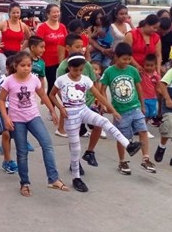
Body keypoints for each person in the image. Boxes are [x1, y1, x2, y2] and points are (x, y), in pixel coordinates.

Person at [50, 53, 143, 191]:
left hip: (83, 110)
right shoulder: (62, 80)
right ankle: (76, 178)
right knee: (76, 148)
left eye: (80, 70)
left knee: (104, 121)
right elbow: (51, 95)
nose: (78, 73)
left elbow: (98, 95)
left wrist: (112, 110)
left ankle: (128, 145)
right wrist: (60, 108)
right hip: (71, 115)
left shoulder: (85, 79)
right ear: (69, 68)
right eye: (75, 70)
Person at [0, 52, 63, 196]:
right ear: (15, 66)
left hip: (33, 117)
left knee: (47, 144)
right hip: (17, 120)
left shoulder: (34, 79)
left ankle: (53, 178)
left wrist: (52, 110)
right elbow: (1, 100)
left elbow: (43, 95)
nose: (26, 68)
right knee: (22, 153)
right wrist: (6, 118)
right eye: (23, 65)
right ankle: (24, 183)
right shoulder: (9, 81)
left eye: (29, 65)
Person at [98, 43, 155, 175]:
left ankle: (145, 158)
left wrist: (142, 104)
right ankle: (122, 161)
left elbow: (139, 87)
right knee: (122, 137)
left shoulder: (132, 70)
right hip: (120, 111)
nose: (126, 62)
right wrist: (105, 105)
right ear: (116, 57)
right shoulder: (109, 71)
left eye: (129, 59)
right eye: (124, 59)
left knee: (143, 131)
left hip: (135, 107)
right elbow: (102, 89)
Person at [0, 3, 32, 74]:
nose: (16, 15)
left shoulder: (23, 26)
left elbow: (29, 38)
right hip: (2, 53)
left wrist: (22, 48)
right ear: (9, 13)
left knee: (16, 72)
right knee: (6, 70)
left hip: (16, 54)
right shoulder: (4, 24)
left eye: (18, 13)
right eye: (13, 13)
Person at [36, 4, 68, 93]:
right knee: (53, 84)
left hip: (62, 60)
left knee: (62, 84)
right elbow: (37, 44)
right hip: (48, 62)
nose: (56, 14)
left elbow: (67, 42)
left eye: (58, 12)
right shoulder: (42, 28)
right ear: (48, 14)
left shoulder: (62, 27)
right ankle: (51, 106)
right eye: (53, 12)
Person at [140, 54, 161, 137]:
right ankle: (143, 129)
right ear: (144, 65)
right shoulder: (141, 74)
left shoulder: (156, 76)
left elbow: (158, 87)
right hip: (143, 97)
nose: (149, 67)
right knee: (145, 113)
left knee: (151, 114)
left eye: (151, 65)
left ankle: (142, 127)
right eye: (147, 65)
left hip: (153, 98)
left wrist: (158, 95)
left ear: (155, 65)